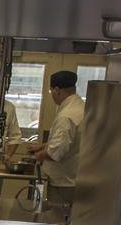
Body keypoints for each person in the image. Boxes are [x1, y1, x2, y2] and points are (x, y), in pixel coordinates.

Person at [31, 70, 87, 201]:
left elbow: (56, 152)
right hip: (76, 177)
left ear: (57, 90)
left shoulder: (66, 116)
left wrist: (36, 157)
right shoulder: (80, 107)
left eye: (51, 92)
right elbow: (70, 140)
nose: (52, 96)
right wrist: (43, 146)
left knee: (59, 217)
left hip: (64, 182)